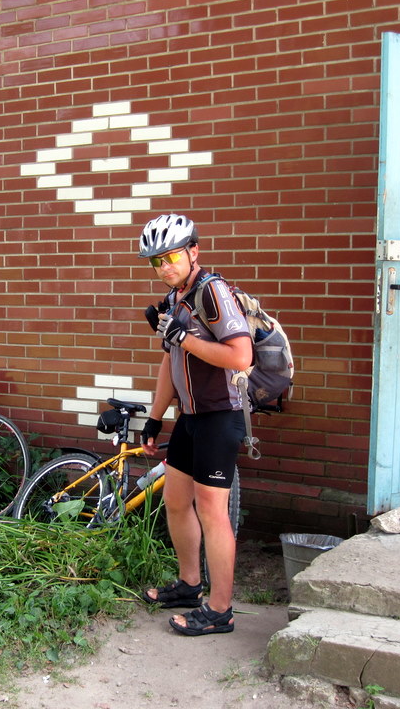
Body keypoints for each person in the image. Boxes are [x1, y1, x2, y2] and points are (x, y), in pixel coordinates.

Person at [136, 214, 252, 636]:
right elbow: (170, 362)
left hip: (220, 416)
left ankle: (220, 611)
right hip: (189, 417)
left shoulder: (213, 292)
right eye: (156, 261)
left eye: (170, 257)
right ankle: (189, 585)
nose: (164, 266)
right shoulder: (175, 298)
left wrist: (186, 338)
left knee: (212, 511)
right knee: (175, 500)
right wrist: (154, 418)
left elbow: (241, 356)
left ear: (193, 251)